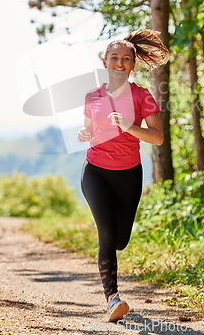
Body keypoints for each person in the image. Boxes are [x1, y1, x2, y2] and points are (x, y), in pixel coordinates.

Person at [77, 28, 170, 322]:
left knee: (120, 240)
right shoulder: (92, 95)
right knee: (106, 233)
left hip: (128, 173)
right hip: (95, 171)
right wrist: (85, 133)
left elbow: (157, 138)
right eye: (114, 57)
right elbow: (90, 129)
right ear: (105, 61)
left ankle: (114, 284)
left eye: (125, 59)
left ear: (133, 64)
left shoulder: (142, 95)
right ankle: (113, 300)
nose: (119, 63)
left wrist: (130, 126)